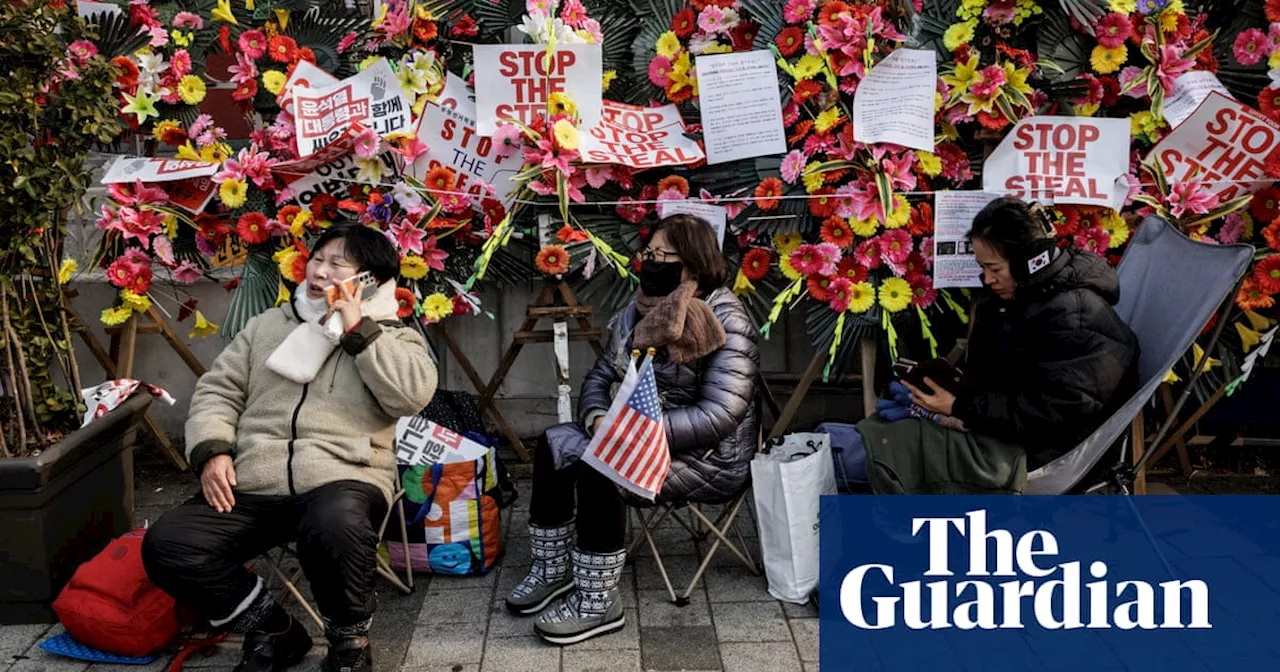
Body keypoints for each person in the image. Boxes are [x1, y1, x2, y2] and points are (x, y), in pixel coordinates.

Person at [142, 225, 437, 672]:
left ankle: (348, 644)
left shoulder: (394, 337)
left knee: (335, 522)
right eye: (318, 258)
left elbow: (410, 395)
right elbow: (217, 392)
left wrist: (358, 330)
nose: (319, 271)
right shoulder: (267, 325)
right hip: (254, 477)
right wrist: (214, 450)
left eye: (338, 264)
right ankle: (275, 630)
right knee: (169, 543)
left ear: (368, 280)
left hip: (343, 477)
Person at [505, 214, 760, 645]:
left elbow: (721, 413)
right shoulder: (637, 308)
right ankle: (553, 569)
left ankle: (599, 600)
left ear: (694, 265)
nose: (652, 263)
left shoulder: (726, 319)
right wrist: (598, 419)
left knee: (602, 466)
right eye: (649, 254)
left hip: (708, 455)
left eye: (665, 257)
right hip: (634, 431)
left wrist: (631, 437)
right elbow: (600, 377)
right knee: (555, 443)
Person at [844, 196, 1140, 494]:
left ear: (1029, 261)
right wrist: (954, 394)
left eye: (994, 268)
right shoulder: (1024, 299)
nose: (987, 278)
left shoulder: (1074, 316)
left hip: (1031, 454)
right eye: (982, 268)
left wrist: (961, 408)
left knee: (876, 453)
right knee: (871, 434)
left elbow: (1054, 414)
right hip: (1001, 431)